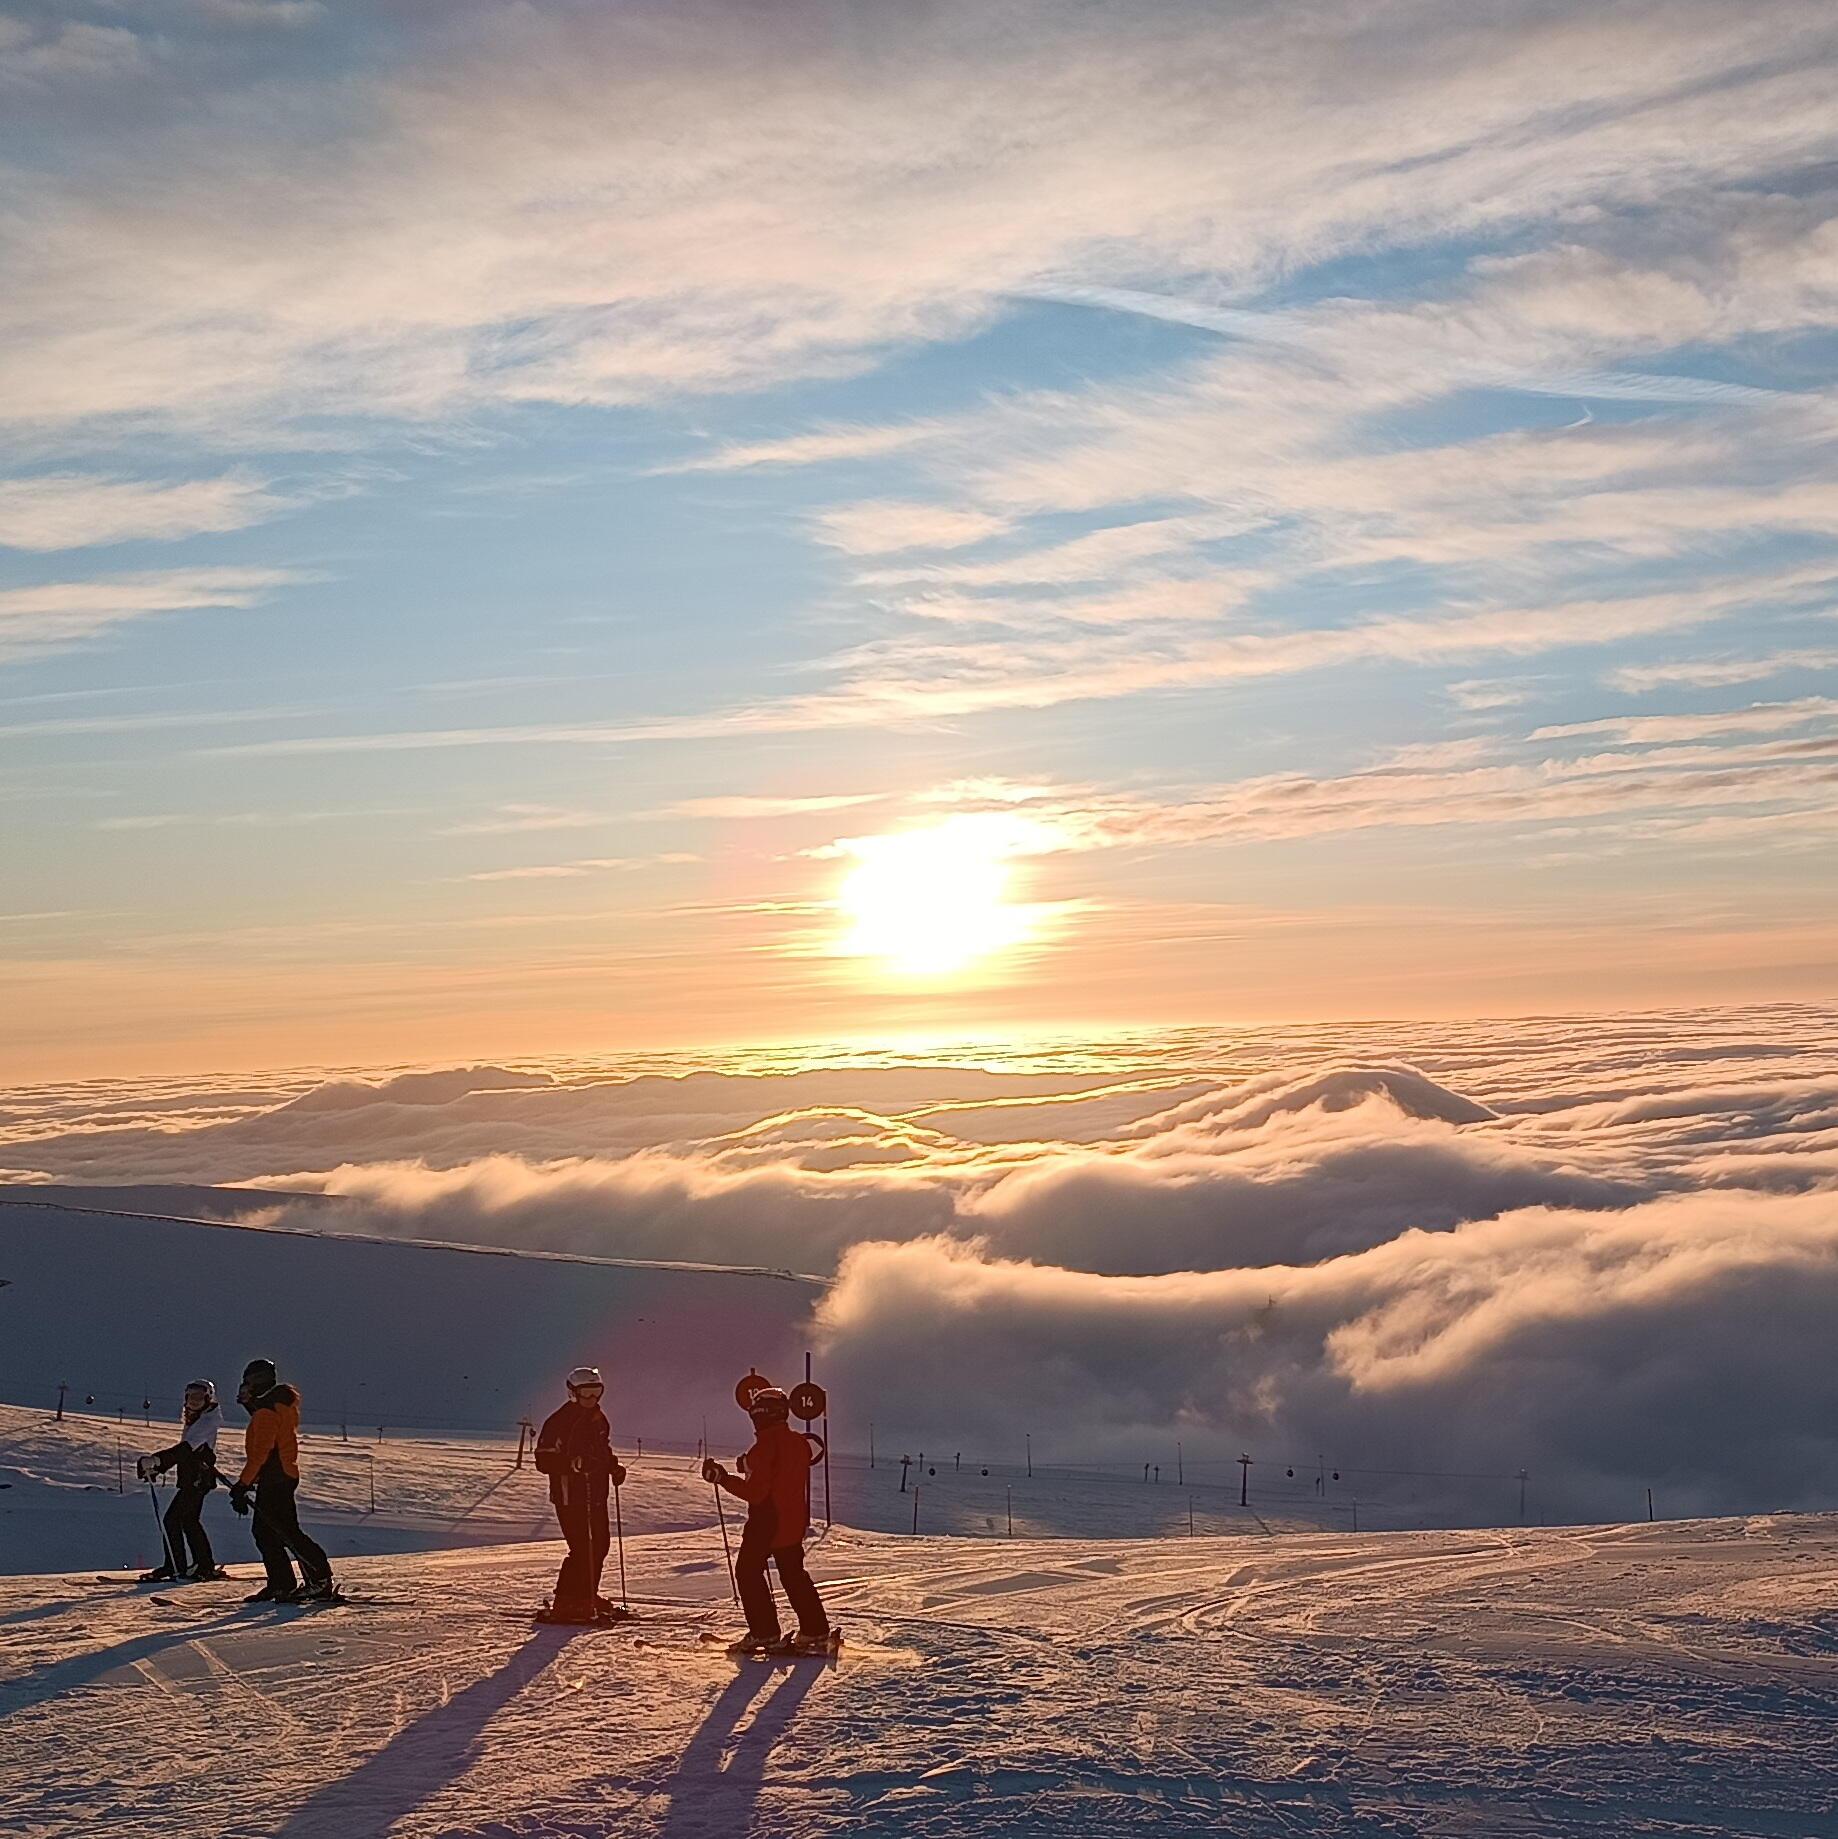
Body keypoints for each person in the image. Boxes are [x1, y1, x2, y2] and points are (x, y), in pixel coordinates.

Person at [703, 1385, 831, 1652]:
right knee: (793, 1573)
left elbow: (756, 1492)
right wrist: (748, 1464)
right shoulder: (797, 1442)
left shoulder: (763, 1446)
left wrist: (723, 1478)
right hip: (794, 1519)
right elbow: (779, 1468)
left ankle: (764, 1632)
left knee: (748, 1572)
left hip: (767, 1519)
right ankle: (815, 1630)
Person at [230, 1357, 335, 1604]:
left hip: (276, 1478)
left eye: (247, 1383)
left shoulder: (267, 1411)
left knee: (284, 1532)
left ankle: (317, 1580)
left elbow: (262, 1453)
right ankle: (282, 1584)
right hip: (280, 1477)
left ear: (256, 1383)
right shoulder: (276, 1405)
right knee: (269, 1533)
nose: (244, 1388)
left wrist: (242, 1485)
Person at [533, 1365, 627, 1623]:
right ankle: (566, 1601)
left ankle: (586, 1595)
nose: (592, 1400)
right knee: (582, 1548)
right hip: (569, 1495)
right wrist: (572, 1465)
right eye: (586, 1394)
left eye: (597, 1393)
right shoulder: (559, 1422)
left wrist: (613, 1467)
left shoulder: (598, 1418)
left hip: (596, 1492)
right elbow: (543, 1460)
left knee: (600, 1546)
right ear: (573, 1393)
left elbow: (602, 1451)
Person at [134, 1379, 224, 1582]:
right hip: (192, 1479)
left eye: (199, 1397)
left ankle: (177, 1565)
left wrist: (158, 1460)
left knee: (173, 1520)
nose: (193, 1401)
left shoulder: (207, 1422)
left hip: (197, 1480)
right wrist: (158, 1467)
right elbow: (184, 1454)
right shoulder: (197, 1420)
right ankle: (201, 1564)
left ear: (208, 1398)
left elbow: (186, 1449)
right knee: (188, 1521)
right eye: (190, 1397)